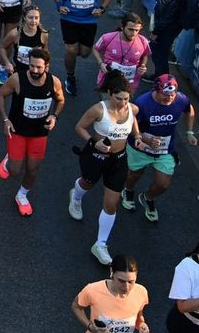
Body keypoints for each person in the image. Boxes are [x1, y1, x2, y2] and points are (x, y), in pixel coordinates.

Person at [69, 70, 139, 266]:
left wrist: (139, 137)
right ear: (109, 93)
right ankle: (75, 196)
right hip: (97, 156)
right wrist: (93, 141)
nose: (123, 103)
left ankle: (100, 244)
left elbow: (134, 125)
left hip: (119, 159)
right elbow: (79, 127)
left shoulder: (132, 109)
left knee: (111, 204)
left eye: (126, 98)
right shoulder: (98, 110)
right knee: (87, 183)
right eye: (119, 98)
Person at [0, 47, 64, 216]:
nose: (34, 70)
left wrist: (54, 116)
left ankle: (22, 195)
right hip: (17, 130)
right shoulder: (17, 80)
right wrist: (5, 119)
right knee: (14, 171)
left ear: (46, 66)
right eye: (32, 66)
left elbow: (60, 100)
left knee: (33, 169)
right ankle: (9, 158)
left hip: (39, 133)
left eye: (39, 67)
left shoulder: (54, 82)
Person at [122, 74, 196, 223]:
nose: (169, 99)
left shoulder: (180, 99)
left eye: (172, 95)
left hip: (164, 150)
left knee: (163, 183)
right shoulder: (142, 103)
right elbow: (129, 123)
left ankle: (147, 197)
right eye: (165, 95)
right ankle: (128, 191)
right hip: (140, 147)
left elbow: (189, 109)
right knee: (134, 174)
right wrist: (146, 138)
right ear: (156, 90)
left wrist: (189, 132)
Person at [53, 0, 113, 96]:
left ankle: (74, 56)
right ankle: (70, 76)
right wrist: (59, 6)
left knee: (85, 53)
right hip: (69, 18)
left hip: (89, 21)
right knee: (71, 50)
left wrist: (102, 9)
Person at [70, 254, 151, 333]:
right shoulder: (93, 290)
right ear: (111, 271)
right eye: (121, 281)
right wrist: (89, 326)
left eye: (131, 281)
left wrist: (141, 324)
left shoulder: (141, 292)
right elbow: (76, 306)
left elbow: (138, 315)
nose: (126, 287)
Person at [94, 13, 152, 93]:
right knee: (108, 104)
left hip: (129, 84)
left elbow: (145, 54)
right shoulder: (108, 38)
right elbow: (95, 49)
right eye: (130, 29)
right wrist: (101, 63)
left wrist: (143, 65)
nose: (134, 33)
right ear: (122, 27)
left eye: (137, 30)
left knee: (124, 104)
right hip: (108, 81)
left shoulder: (143, 41)